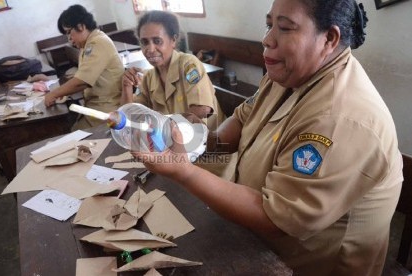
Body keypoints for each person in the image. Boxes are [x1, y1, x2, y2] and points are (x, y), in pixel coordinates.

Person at [132, 1, 403, 275]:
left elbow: (276, 217)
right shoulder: (288, 73)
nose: (267, 39)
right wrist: (197, 143)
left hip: (302, 265)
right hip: (254, 238)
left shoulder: (340, 119)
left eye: (284, 28)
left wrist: (185, 172)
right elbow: (242, 118)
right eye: (269, 24)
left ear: (329, 39)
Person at [121, 10, 233, 179]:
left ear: (173, 40)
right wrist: (126, 87)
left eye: (157, 41)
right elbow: (130, 119)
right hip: (176, 154)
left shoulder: (188, 65)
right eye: (144, 42)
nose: (150, 49)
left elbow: (201, 110)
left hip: (209, 156)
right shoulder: (150, 77)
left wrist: (160, 127)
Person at [44, 4, 124, 130]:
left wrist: (54, 93)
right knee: (68, 127)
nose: (69, 38)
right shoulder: (87, 45)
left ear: (81, 26)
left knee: (67, 135)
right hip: (94, 108)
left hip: (107, 111)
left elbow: (82, 82)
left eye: (69, 32)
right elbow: (82, 75)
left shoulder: (98, 42)